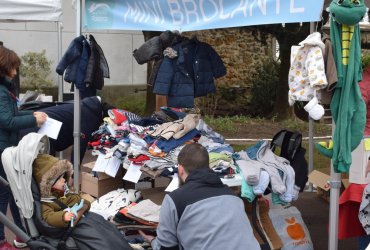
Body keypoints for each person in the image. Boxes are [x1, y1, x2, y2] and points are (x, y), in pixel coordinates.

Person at [139, 143, 260, 250]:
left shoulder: (175, 200)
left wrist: (153, 241)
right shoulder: (234, 197)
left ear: (180, 169)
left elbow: (167, 247)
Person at [0, 46, 47, 250]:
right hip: (2, 150)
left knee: (12, 193)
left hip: (6, 148)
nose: (16, 72)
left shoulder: (4, 89)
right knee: (3, 196)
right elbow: (7, 121)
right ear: (5, 67)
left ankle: (21, 235)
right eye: (14, 67)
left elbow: (11, 115)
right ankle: (1, 241)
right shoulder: (1, 91)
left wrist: (33, 116)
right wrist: (32, 121)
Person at [32, 154, 132, 250]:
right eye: (59, 179)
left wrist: (84, 203)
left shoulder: (61, 193)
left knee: (107, 228)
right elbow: (48, 217)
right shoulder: (46, 202)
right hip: (72, 225)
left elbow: (77, 199)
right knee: (100, 238)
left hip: (83, 216)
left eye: (63, 177)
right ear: (49, 183)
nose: (63, 180)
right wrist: (63, 216)